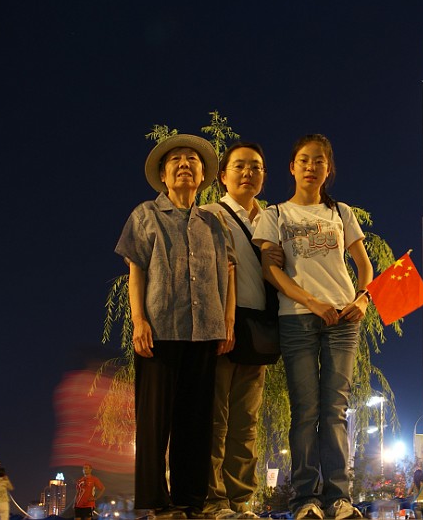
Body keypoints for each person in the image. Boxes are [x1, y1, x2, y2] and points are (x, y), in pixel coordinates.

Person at [115, 134, 236, 519]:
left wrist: (228, 321)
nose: (185, 165)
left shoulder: (215, 222)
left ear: (203, 175)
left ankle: (190, 499)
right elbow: (136, 273)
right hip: (159, 330)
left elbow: (227, 275)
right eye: (176, 161)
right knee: (155, 420)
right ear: (163, 176)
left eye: (192, 160)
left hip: (206, 331)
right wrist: (138, 320)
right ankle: (156, 501)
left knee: (196, 420)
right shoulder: (144, 215)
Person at [254, 134, 373, 520]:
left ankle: (339, 497)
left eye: (319, 160)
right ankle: (305, 499)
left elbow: (364, 264)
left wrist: (363, 297)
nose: (311, 166)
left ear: (328, 168)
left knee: (335, 409)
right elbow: (270, 271)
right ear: (292, 167)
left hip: (343, 319)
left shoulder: (341, 213)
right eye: (303, 160)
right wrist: (310, 301)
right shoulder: (274, 215)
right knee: (305, 410)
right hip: (298, 318)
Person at [201, 142, 283, 520]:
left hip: (259, 329)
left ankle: (240, 500)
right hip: (218, 329)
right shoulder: (207, 215)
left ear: (264, 176)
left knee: (246, 421)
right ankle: (212, 499)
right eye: (239, 166)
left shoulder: (273, 220)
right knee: (213, 418)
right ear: (222, 175)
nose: (248, 172)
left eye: (257, 167)